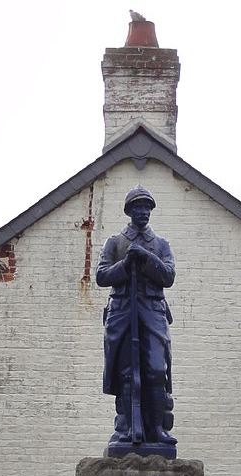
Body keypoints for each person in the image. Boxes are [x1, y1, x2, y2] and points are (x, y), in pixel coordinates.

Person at [96, 185, 177, 453]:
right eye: (138, 207)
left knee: (155, 369)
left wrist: (145, 257)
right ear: (129, 211)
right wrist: (125, 264)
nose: (143, 212)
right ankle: (127, 428)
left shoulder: (161, 244)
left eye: (147, 207)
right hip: (123, 309)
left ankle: (157, 429)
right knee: (127, 373)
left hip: (152, 309)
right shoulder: (115, 242)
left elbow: (168, 276)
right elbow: (102, 276)